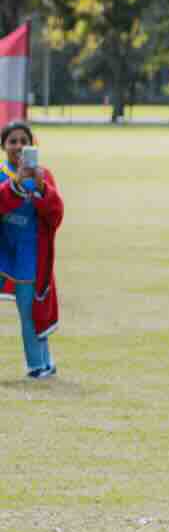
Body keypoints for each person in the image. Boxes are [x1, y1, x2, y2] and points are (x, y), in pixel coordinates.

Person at [1, 121, 61, 380]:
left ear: (32, 145)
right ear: (3, 146)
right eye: (12, 141)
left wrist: (41, 189)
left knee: (29, 310)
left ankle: (40, 363)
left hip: (30, 254)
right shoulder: (2, 174)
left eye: (23, 141)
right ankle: (42, 362)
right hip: (3, 252)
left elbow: (56, 214)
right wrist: (15, 184)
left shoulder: (43, 175)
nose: (18, 146)